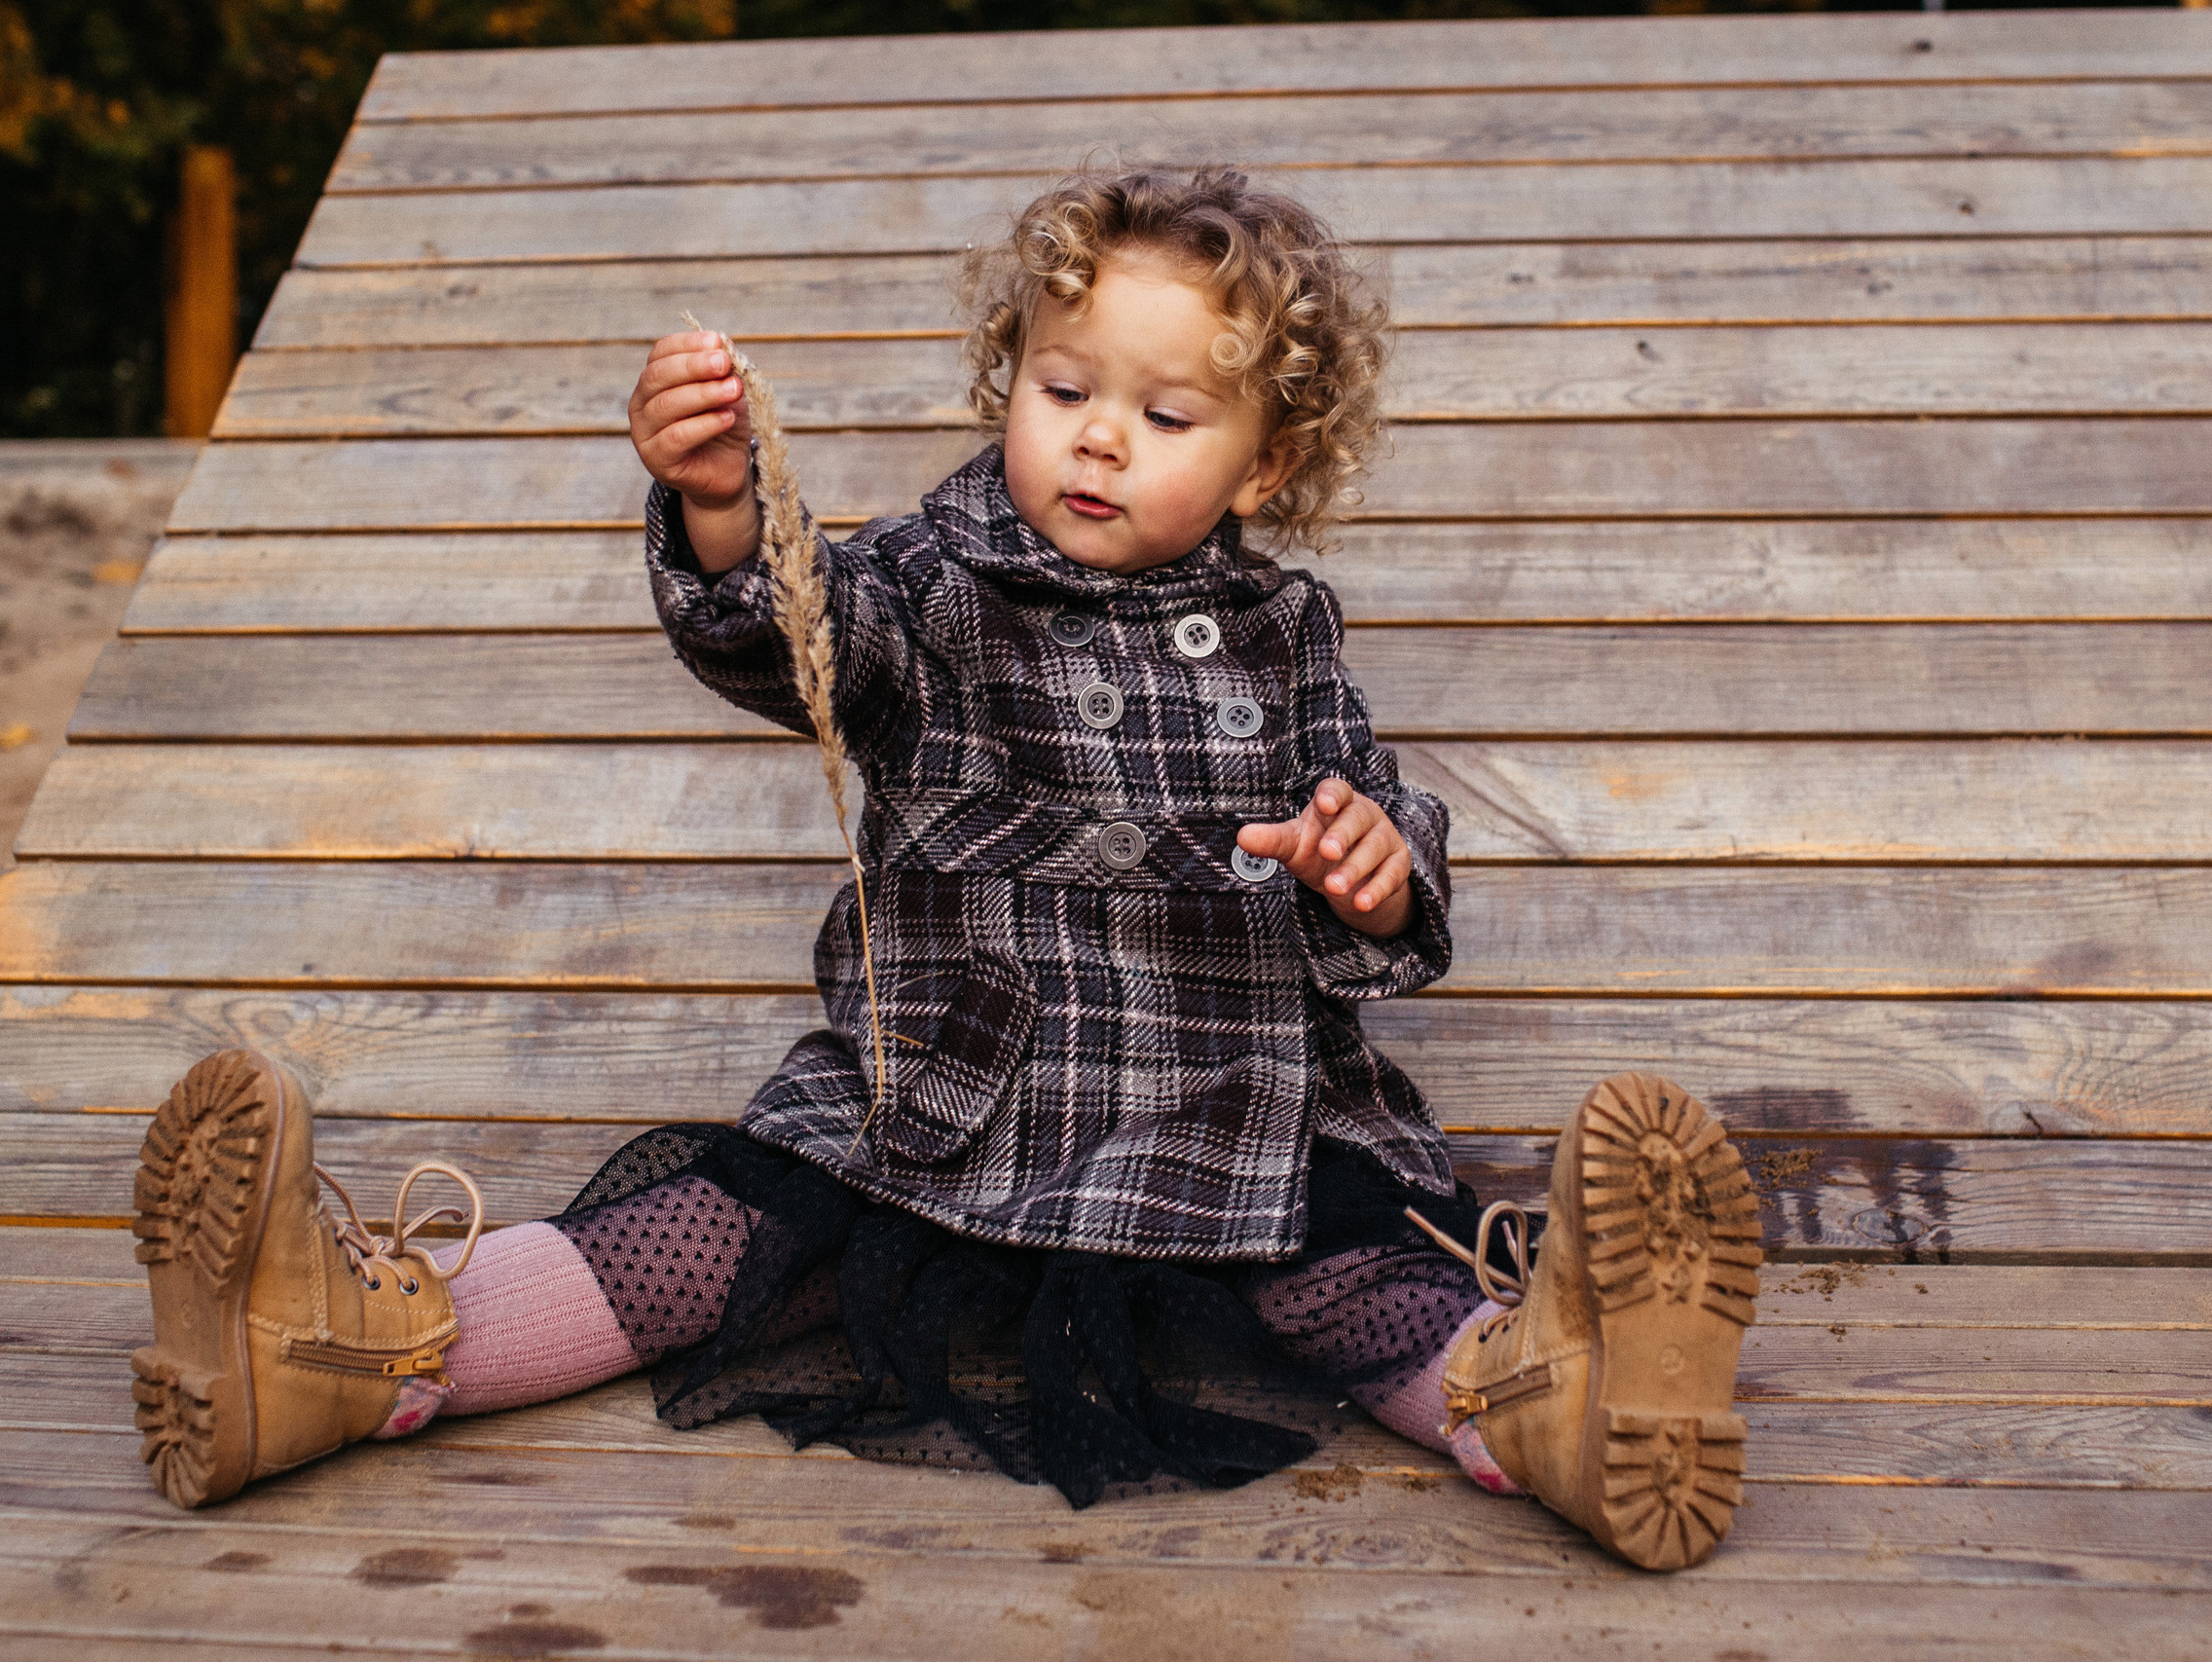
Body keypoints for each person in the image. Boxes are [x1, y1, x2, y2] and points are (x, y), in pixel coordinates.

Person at [126, 167, 1763, 1571]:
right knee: (714, 1232)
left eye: (1166, 413)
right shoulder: (929, 584)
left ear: (1265, 468)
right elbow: (796, 649)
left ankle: (1546, 1400)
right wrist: (720, 509)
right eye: (1065, 389)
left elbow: (1385, 860)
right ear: (1012, 382)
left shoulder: (1290, 637)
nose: (1100, 439)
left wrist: (1376, 869)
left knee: (1349, 1264)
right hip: (946, 1085)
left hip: (1223, 1098)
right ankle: (356, 1345)